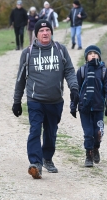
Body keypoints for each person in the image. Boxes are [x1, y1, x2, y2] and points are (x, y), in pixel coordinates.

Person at [12, 19, 79, 179]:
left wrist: (74, 88)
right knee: (35, 130)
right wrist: (16, 101)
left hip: (55, 101)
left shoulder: (60, 50)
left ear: (51, 32)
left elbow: (69, 71)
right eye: (41, 31)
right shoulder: (28, 53)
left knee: (51, 132)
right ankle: (35, 163)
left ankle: (47, 158)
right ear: (36, 34)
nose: (45, 33)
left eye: (47, 30)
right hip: (35, 100)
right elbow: (20, 79)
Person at [71, 45, 107, 167]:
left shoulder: (104, 71)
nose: (93, 55)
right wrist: (73, 106)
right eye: (90, 53)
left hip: (98, 107)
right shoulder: (82, 71)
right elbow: (75, 90)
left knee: (98, 132)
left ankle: (96, 148)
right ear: (86, 57)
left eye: (96, 53)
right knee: (88, 132)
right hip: (84, 107)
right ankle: (88, 155)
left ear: (99, 56)